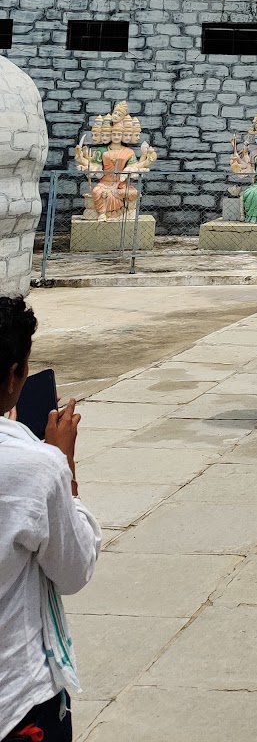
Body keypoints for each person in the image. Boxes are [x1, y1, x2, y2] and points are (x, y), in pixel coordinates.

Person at [0, 296, 100, 742]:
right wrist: (63, 462)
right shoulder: (35, 467)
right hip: (18, 702)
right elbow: (74, 570)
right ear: (15, 375)